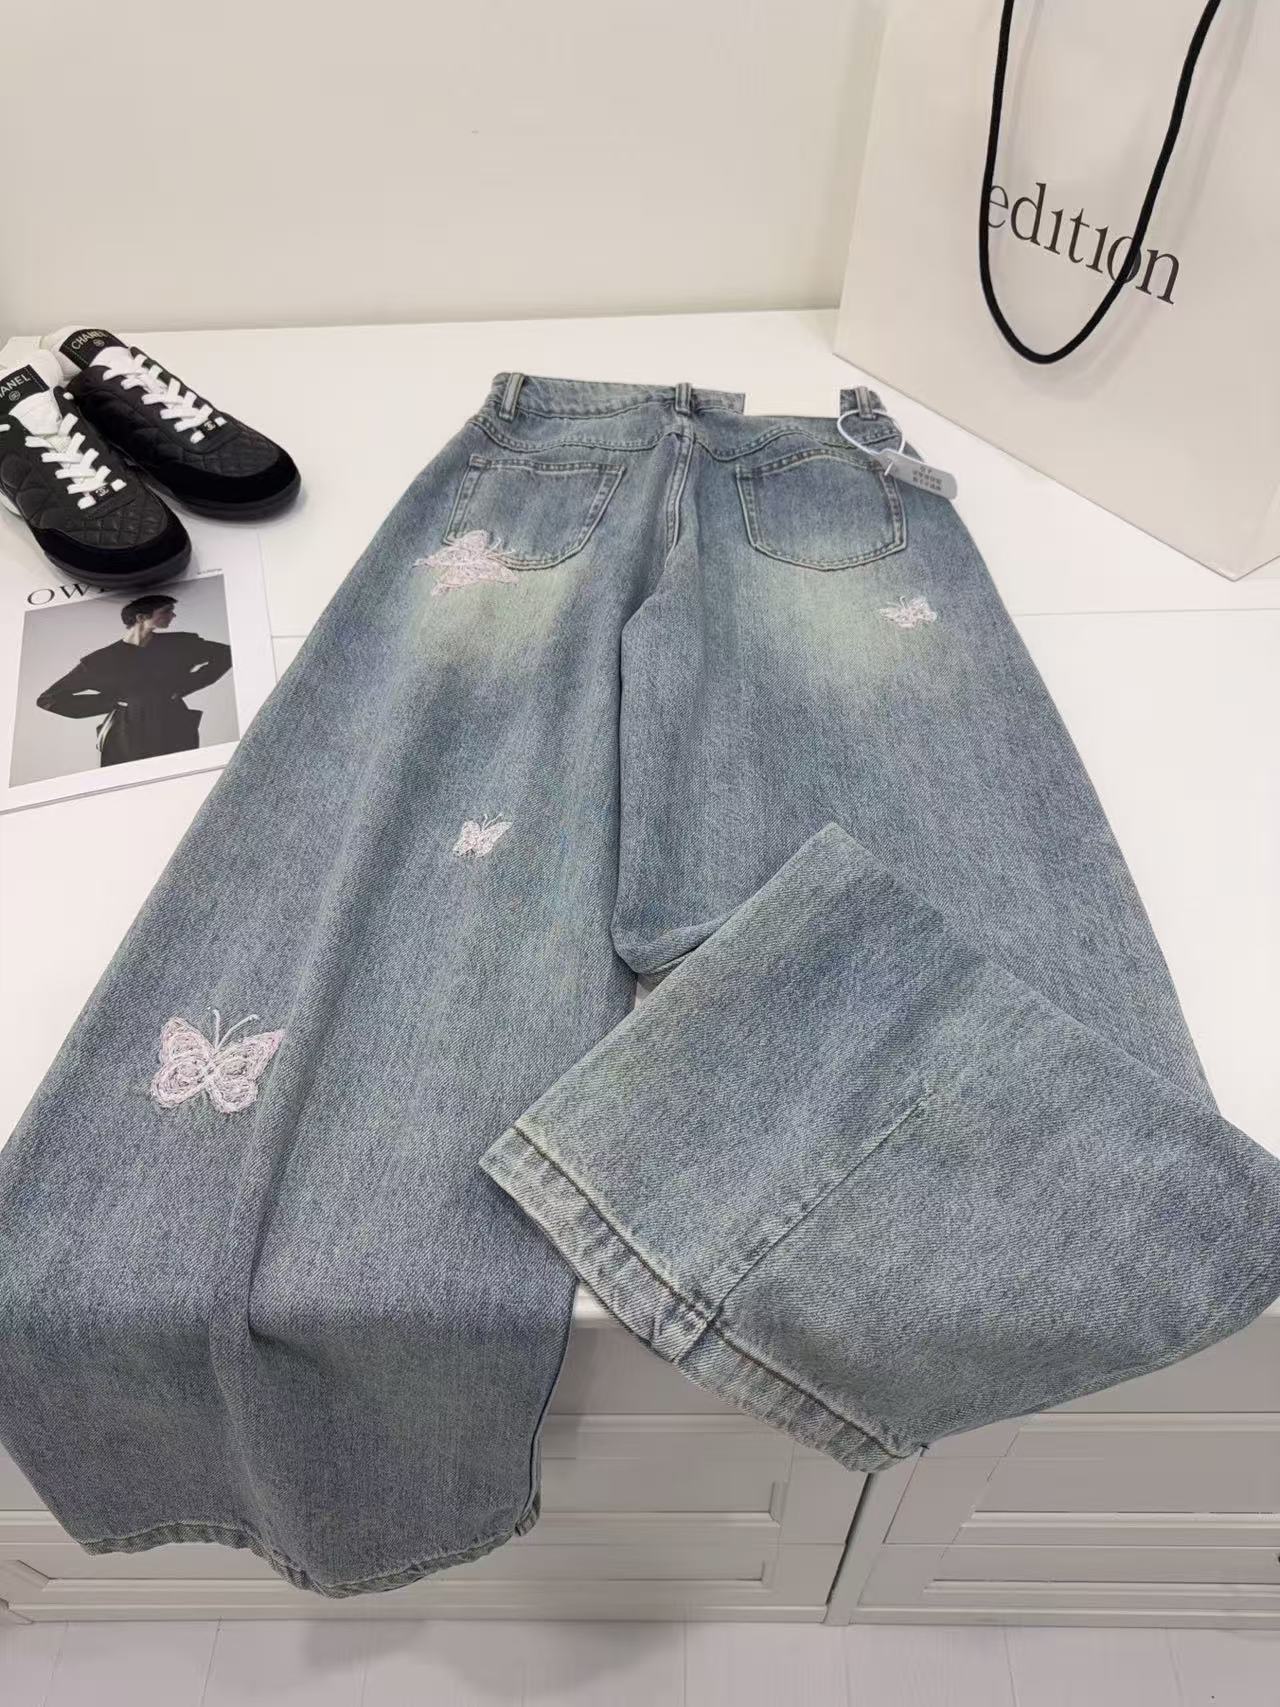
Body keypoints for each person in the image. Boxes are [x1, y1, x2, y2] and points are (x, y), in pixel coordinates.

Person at [36, 593, 232, 767]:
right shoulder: (100, 661)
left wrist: (186, 686)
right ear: (141, 617)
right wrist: (111, 702)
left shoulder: (180, 644)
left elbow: (226, 654)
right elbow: (49, 699)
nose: (173, 615)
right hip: (125, 732)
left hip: (173, 722)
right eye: (166, 611)